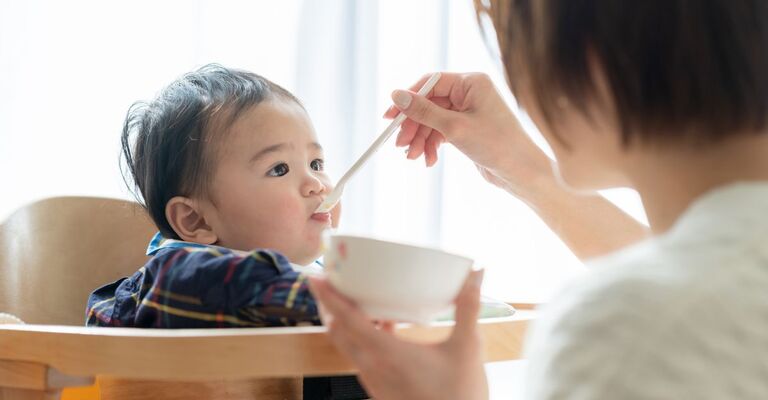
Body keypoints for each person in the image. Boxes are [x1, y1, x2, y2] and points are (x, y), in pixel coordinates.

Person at [309, 0, 768, 399]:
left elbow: (678, 299)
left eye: (516, 49)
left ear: (588, 55)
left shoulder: (630, 326)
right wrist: (524, 167)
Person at [86, 64, 341, 329]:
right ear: (197, 221)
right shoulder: (179, 283)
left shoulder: (322, 276)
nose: (316, 185)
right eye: (279, 169)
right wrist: (352, 300)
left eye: (316, 164)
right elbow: (228, 285)